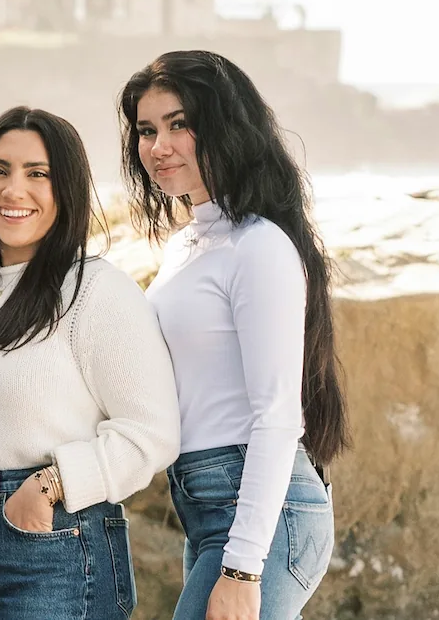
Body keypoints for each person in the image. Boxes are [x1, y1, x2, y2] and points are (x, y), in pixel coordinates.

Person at [119, 51, 346, 620]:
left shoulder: (258, 245)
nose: (158, 146)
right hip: (208, 508)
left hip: (258, 520)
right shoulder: (187, 246)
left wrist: (244, 567)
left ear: (224, 126)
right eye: (147, 130)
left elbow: (277, 415)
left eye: (178, 125)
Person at [0, 107, 179, 619]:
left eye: (38, 174)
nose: (14, 190)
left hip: (50, 544)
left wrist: (50, 485)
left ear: (67, 188)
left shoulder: (94, 290)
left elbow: (153, 431)